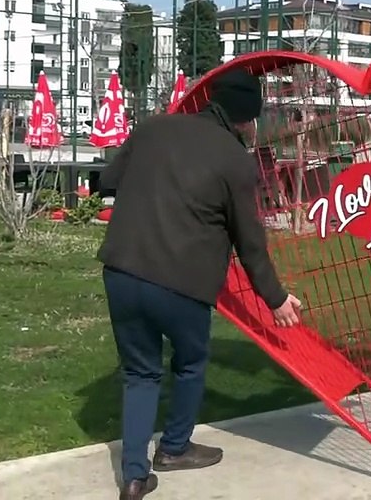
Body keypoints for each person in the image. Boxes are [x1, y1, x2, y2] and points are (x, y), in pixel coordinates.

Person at [97, 68, 303, 500]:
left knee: (140, 373)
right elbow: (250, 243)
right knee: (190, 362)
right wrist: (276, 299)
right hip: (182, 282)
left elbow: (107, 181)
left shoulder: (154, 128)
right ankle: (174, 448)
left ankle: (134, 477)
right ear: (247, 119)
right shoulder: (235, 160)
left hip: (122, 269)